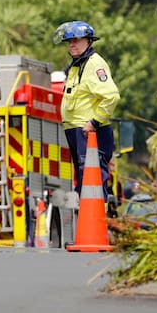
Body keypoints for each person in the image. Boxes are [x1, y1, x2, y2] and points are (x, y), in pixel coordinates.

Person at [53, 20, 120, 202]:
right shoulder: (77, 65)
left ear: (88, 41)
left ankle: (97, 223)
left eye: (76, 40)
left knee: (93, 181)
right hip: (77, 131)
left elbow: (112, 96)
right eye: (69, 41)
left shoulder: (94, 64)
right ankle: (86, 225)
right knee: (84, 182)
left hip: (91, 132)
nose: (72, 44)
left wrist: (94, 123)